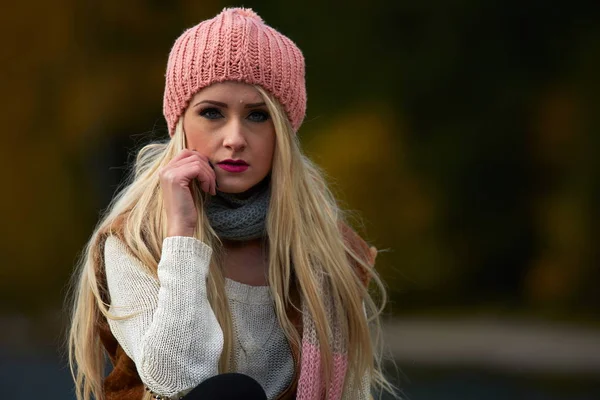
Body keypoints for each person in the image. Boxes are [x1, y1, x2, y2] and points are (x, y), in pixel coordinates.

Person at [68, 7, 394, 400]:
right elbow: (175, 379)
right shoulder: (136, 242)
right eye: (212, 113)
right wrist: (183, 238)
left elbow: (352, 394)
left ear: (284, 132)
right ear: (181, 123)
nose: (235, 138)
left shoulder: (327, 253)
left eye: (258, 115)